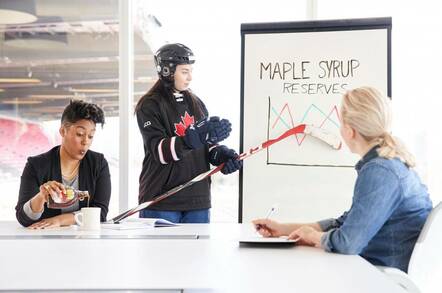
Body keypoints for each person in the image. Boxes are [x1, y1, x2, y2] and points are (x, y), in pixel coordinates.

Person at [253, 87, 432, 272]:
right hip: (377, 271)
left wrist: (314, 236)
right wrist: (282, 229)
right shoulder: (389, 164)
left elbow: (348, 243)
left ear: (348, 131)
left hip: (381, 278)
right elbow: (343, 224)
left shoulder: (380, 171)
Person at [135, 43, 242, 223]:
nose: (190, 77)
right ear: (168, 71)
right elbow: (160, 152)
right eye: (185, 71)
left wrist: (220, 155)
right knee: (161, 253)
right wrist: (192, 139)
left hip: (197, 200)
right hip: (161, 200)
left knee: (198, 253)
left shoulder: (196, 103)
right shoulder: (150, 105)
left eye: (191, 71)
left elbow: (205, 147)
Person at [16, 100, 111, 229]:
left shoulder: (98, 164)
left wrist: (60, 220)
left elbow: (100, 213)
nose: (85, 142)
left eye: (90, 136)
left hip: (85, 242)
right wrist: (41, 197)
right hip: (46, 241)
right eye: (80, 134)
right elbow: (23, 218)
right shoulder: (36, 165)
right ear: (62, 131)